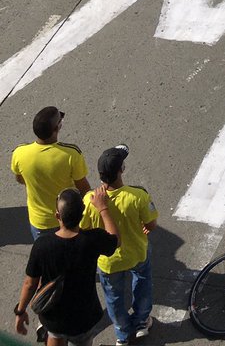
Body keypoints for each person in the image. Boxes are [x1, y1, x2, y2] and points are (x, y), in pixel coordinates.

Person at [15, 187, 118, 346]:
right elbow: (115, 240)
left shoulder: (43, 245)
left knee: (54, 336)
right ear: (81, 214)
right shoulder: (92, 240)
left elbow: (30, 284)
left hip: (54, 316)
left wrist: (20, 312)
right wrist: (103, 208)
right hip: (82, 316)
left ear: (57, 215)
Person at [81, 146, 157, 346]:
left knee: (113, 298)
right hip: (136, 253)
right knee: (142, 285)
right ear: (121, 169)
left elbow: (83, 228)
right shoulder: (138, 196)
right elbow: (151, 224)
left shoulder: (90, 200)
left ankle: (122, 333)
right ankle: (141, 322)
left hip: (108, 261)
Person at [11, 107, 90, 240]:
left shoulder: (19, 153)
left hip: (39, 222)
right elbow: (84, 189)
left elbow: (20, 179)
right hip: (68, 218)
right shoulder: (71, 154)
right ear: (56, 128)